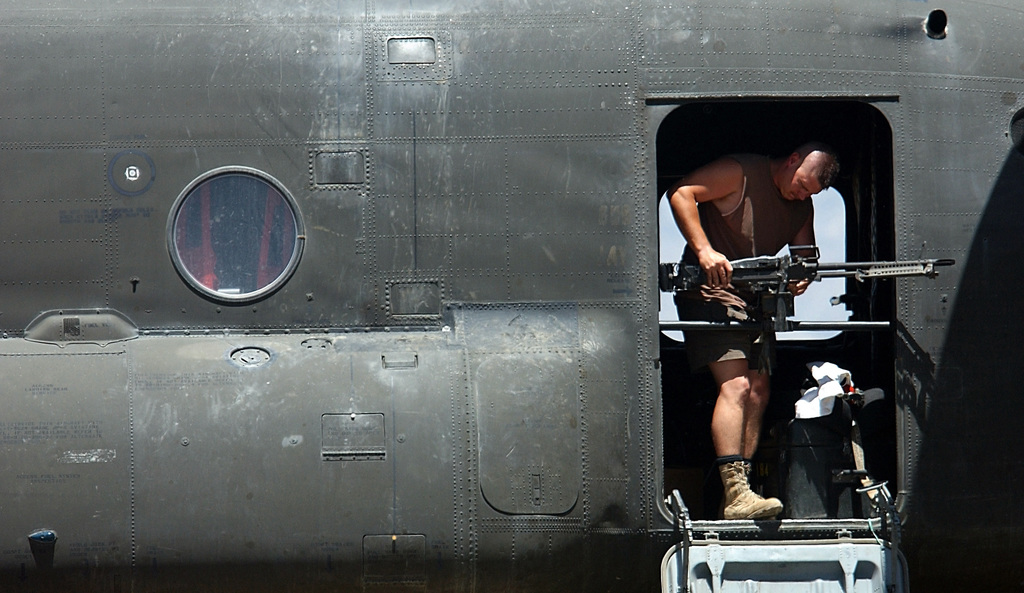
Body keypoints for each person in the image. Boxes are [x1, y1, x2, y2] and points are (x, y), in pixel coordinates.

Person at [666, 142, 840, 520]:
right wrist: (704, 251)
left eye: (810, 193)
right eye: (802, 185)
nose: (801, 195)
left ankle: (739, 495)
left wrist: (802, 275)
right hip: (710, 294)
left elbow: (805, 253)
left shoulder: (799, 203)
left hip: (754, 302)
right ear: (792, 160)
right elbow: (680, 194)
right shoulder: (740, 172)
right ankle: (736, 495)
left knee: (759, 389)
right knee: (737, 387)